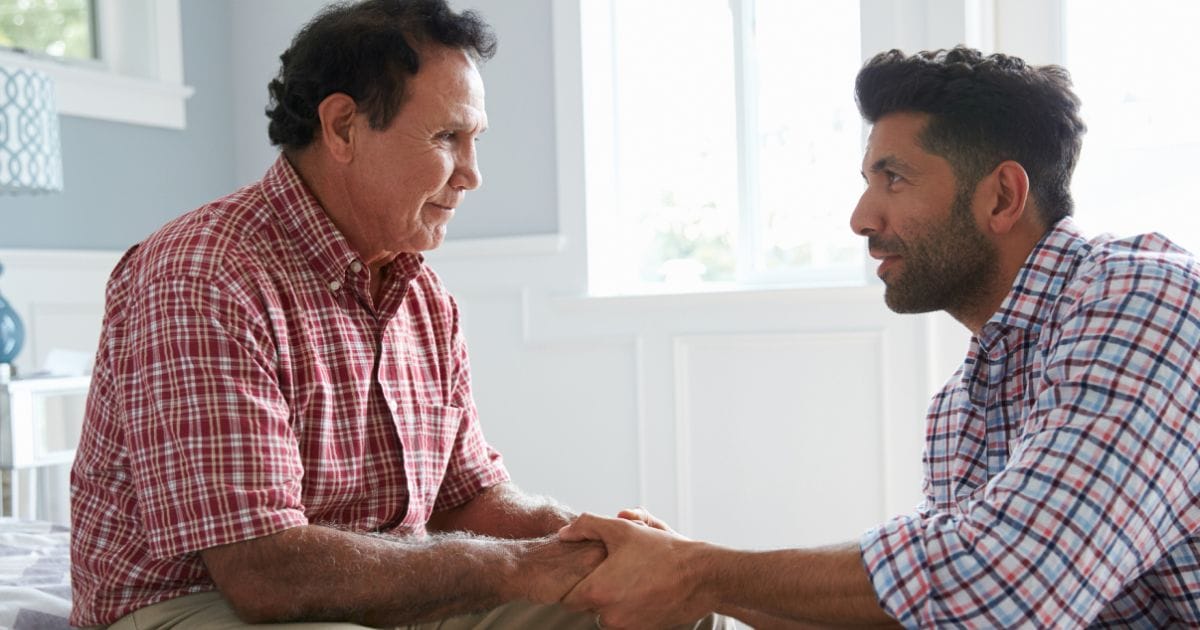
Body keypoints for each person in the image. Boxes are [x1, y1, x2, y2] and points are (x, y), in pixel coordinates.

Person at [68, 2, 729, 628]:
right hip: (193, 605)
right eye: (448, 136)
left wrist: (597, 540)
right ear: (343, 127)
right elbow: (261, 571)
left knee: (667, 608)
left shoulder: (423, 296)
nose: (472, 174)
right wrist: (525, 567)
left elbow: (466, 497)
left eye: (476, 140)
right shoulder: (205, 276)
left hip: (381, 595)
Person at [559, 46, 1200, 628]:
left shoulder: (1145, 299)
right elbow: (929, 608)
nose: (862, 218)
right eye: (868, 182)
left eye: (893, 178)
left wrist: (697, 569)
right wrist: (685, 574)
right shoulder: (961, 409)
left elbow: (1009, 582)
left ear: (1002, 196)